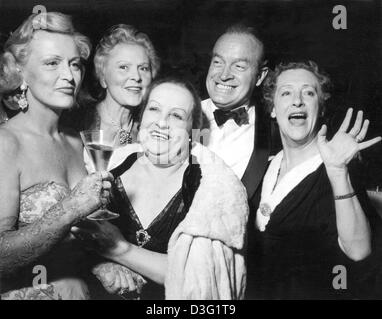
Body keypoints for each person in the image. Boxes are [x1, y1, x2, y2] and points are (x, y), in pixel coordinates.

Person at [72, 77, 249, 300]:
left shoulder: (212, 188)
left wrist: (119, 249)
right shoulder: (115, 165)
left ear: (193, 130)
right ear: (142, 116)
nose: (161, 122)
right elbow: (79, 243)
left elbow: (200, 279)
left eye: (176, 115)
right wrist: (99, 265)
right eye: (154, 109)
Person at [0, 12, 113, 300]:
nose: (69, 76)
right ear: (20, 72)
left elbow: (82, 237)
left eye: (75, 64)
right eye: (52, 63)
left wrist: (104, 264)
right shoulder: (6, 143)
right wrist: (71, 208)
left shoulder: (76, 140)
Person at [246, 61, 382, 299]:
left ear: (320, 108)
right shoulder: (261, 167)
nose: (297, 100)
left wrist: (338, 172)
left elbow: (359, 250)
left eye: (308, 93)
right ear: (273, 108)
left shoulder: (338, 169)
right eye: (286, 92)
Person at [201, 24, 270, 200]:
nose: (224, 75)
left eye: (238, 66)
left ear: (260, 76)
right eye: (218, 62)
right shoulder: (181, 114)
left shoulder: (275, 130)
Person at [78, 24, 159, 146]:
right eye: (123, 67)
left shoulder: (153, 127)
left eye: (143, 68)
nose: (136, 77)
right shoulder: (78, 123)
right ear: (102, 76)